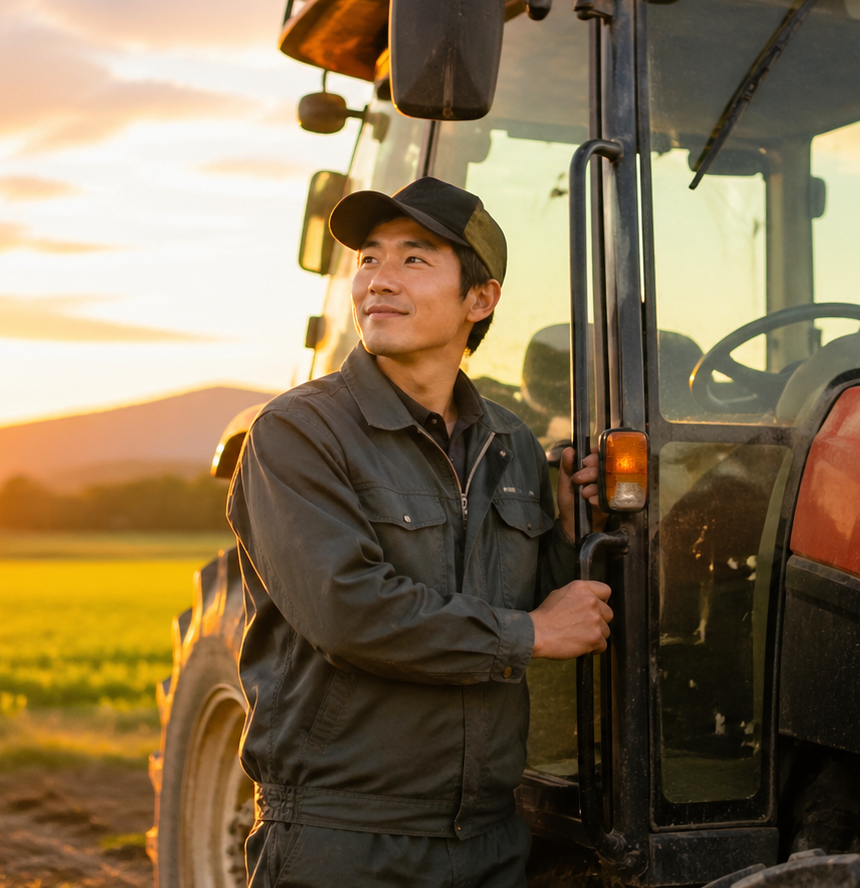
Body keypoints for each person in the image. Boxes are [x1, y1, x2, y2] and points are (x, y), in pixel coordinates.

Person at [228, 176, 613, 887]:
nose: (378, 278)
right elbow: (349, 610)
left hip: (490, 837)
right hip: (347, 839)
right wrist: (528, 633)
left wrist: (564, 525)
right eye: (369, 258)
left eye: (413, 258)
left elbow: (550, 609)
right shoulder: (298, 433)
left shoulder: (514, 447)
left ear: (481, 298)